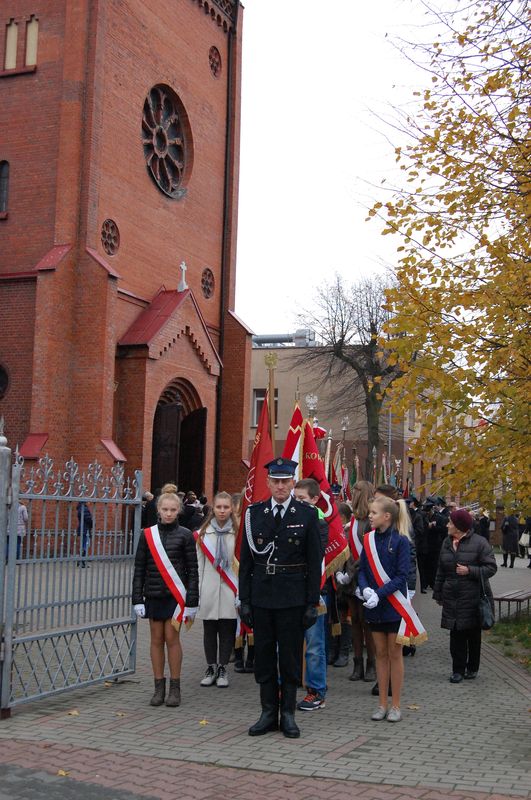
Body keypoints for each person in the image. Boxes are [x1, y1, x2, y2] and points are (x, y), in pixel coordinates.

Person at [239, 458, 322, 739]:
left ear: (293, 482)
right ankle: (267, 713)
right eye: (275, 481)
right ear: (268, 483)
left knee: (288, 657)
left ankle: (287, 714)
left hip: (292, 597)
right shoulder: (254, 513)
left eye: (286, 481)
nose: (280, 486)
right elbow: (247, 562)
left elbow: (314, 561)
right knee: (263, 656)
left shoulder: (307, 514)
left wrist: (312, 602)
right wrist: (244, 600)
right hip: (262, 595)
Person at [132, 491, 199, 707]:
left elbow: (193, 571)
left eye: (172, 510)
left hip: (175, 597)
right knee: (155, 640)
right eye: (164, 509)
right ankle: (158, 687)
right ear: (158, 510)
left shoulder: (186, 535)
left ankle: (175, 689)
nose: (168, 514)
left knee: (172, 639)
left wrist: (192, 602)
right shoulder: (147, 534)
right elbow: (139, 568)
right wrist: (137, 599)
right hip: (153, 595)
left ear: (178, 510)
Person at [358, 496, 412, 723]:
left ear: (387, 516)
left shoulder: (401, 541)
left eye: (373, 513)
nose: (369, 516)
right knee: (379, 653)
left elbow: (402, 576)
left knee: (394, 653)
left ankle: (396, 705)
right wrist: (365, 589)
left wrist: (378, 594)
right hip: (374, 606)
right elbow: (361, 569)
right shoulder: (368, 539)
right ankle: (381, 704)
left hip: (394, 604)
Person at [433, 507, 496, 683]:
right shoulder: (446, 542)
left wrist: (470, 570)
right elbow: (441, 570)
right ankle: (457, 670)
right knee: (456, 635)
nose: (447, 524)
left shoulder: (480, 543)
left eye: (450, 522)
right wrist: (438, 593)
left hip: (473, 597)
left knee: (473, 635)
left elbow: (491, 568)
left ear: (459, 527)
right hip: (452, 596)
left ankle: (472, 667)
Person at [195, 491, 239, 689]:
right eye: (219, 507)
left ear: (231, 509)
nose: (222, 511)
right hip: (209, 588)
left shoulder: (237, 534)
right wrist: (196, 591)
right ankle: (210, 667)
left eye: (226, 507)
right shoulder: (203, 534)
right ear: (213, 509)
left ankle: (222, 668)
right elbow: (197, 565)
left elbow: (240, 564)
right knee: (209, 630)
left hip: (230, 588)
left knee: (227, 630)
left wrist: (241, 592)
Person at [335, 480, 376, 683]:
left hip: (365, 578)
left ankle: (371, 665)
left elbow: (368, 552)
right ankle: (357, 663)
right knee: (355, 622)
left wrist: (351, 573)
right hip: (351, 580)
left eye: (357, 490)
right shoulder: (352, 520)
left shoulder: (370, 521)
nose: (354, 493)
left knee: (367, 623)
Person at [293, 478, 329, 712]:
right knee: (287, 642)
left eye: (302, 499)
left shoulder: (320, 523)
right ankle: (285, 685)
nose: (297, 503)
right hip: (290, 589)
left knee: (314, 645)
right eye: (295, 499)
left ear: (315, 500)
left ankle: (316, 691)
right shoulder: (289, 518)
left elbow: (311, 555)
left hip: (313, 590)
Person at [76, 501, 93, 567]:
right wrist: (91, 524)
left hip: (83, 529)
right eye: (88, 502)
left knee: (83, 545)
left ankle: (80, 560)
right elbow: (88, 519)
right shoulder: (84, 509)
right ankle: (82, 562)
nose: (89, 503)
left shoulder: (80, 508)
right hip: (85, 529)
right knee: (85, 545)